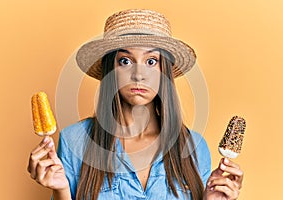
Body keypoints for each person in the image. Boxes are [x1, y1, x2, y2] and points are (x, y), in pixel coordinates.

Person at [27, 9, 243, 200]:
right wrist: (61, 191)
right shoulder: (75, 141)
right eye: (125, 61)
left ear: (163, 72)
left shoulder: (194, 146)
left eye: (151, 61)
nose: (138, 75)